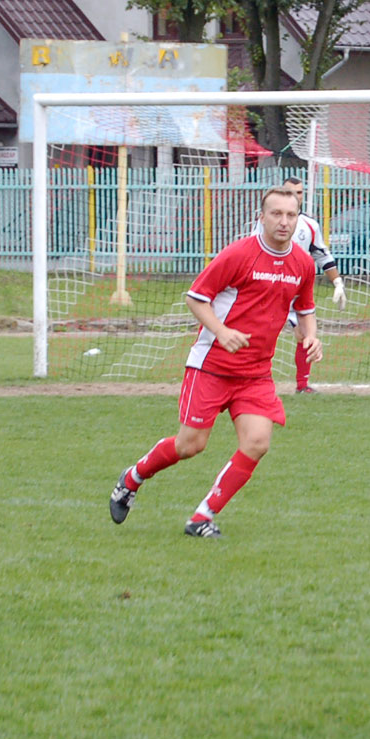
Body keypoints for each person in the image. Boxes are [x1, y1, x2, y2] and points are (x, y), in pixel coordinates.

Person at [108, 186, 321, 539]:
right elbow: (196, 297)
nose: (284, 221)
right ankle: (132, 478)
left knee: (257, 442)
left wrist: (311, 336)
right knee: (190, 445)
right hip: (211, 367)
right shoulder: (239, 254)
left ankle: (202, 517)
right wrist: (221, 332)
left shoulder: (302, 263)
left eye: (291, 215)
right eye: (276, 214)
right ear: (261, 217)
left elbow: (305, 308)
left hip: (255, 374)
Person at [257, 176, 345, 394]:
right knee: (259, 334)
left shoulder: (309, 226)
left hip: (295, 293)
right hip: (267, 292)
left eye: (299, 193)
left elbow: (322, 256)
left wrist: (338, 283)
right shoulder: (265, 224)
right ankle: (251, 378)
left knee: (306, 335)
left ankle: (302, 385)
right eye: (290, 192)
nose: (295, 196)